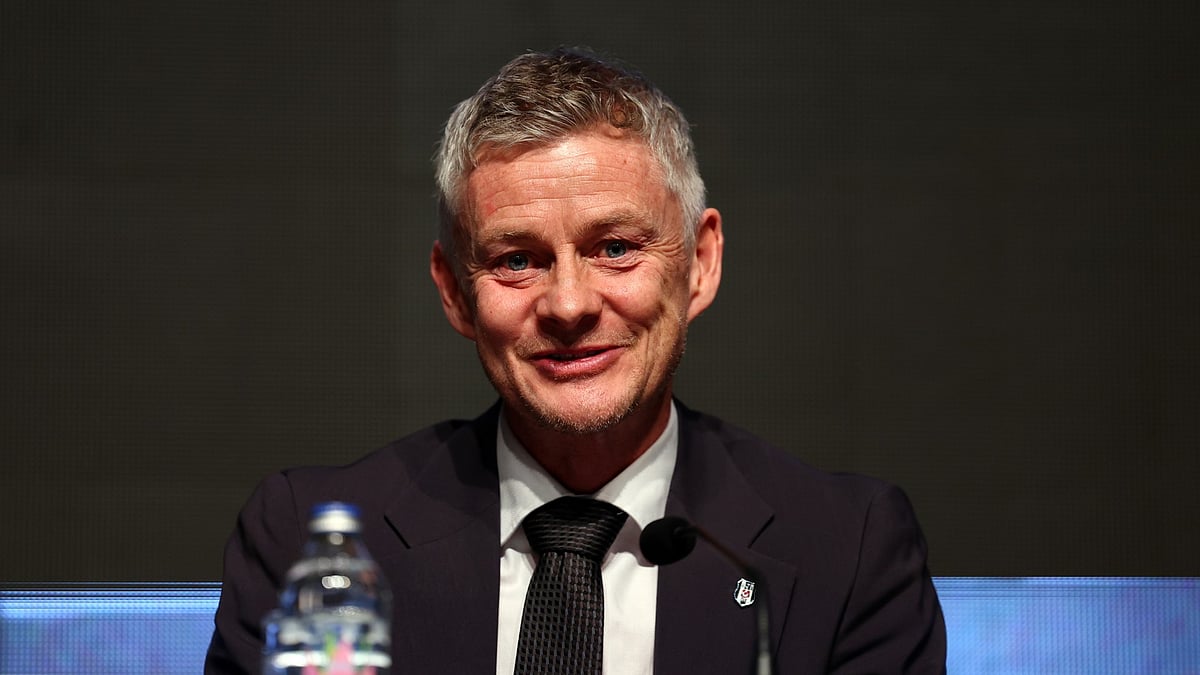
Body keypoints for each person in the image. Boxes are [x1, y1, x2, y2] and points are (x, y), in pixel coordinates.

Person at [205, 47, 946, 674]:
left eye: (615, 247)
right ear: (455, 293)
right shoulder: (311, 544)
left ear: (700, 263)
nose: (568, 305)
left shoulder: (845, 553)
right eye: (517, 259)